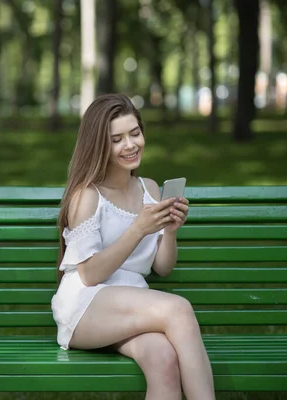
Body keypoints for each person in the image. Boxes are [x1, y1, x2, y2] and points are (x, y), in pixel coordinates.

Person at [51, 93, 215, 399]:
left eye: (135, 133)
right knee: (179, 309)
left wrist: (170, 231)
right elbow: (89, 275)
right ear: (99, 145)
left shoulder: (150, 189)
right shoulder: (87, 196)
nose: (130, 145)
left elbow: (162, 267)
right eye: (117, 139)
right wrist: (138, 229)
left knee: (164, 360)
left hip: (131, 306)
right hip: (86, 307)